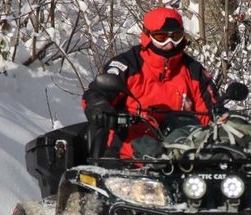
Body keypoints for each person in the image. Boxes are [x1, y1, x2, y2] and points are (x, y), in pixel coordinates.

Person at [82, 7, 220, 159]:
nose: (170, 44)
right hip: (128, 158)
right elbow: (96, 93)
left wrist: (226, 121)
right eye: (161, 37)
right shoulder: (128, 65)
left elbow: (212, 111)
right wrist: (100, 107)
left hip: (182, 158)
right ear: (147, 36)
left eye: (176, 36)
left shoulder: (193, 71)